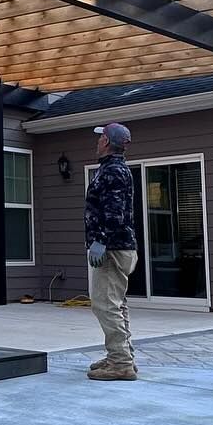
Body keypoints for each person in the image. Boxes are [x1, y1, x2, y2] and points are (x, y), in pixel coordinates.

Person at [84, 121, 138, 380]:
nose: (97, 141)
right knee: (116, 304)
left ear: (106, 141)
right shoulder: (113, 169)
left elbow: (114, 212)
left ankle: (120, 362)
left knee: (105, 305)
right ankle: (121, 355)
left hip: (113, 249)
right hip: (119, 247)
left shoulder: (113, 172)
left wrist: (100, 241)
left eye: (100, 137)